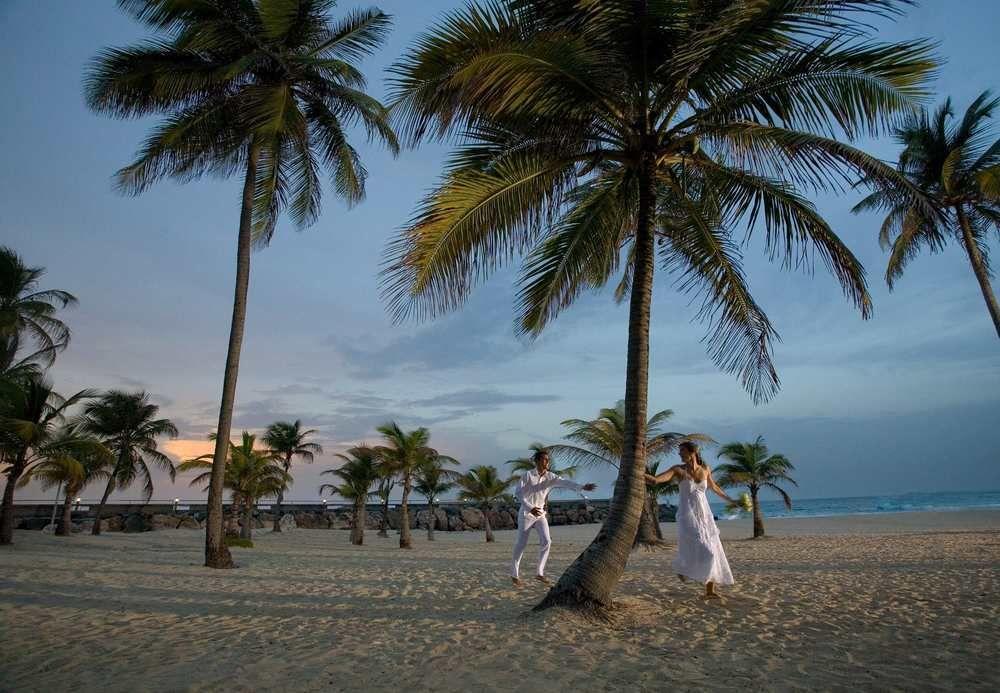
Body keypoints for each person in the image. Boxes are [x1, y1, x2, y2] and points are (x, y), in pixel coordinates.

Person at [646, 441, 736, 599]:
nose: (679, 454)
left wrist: (731, 501)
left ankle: (709, 590)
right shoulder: (678, 470)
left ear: (692, 452)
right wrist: (636, 473)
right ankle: (683, 568)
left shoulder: (705, 469)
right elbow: (655, 481)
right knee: (701, 547)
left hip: (704, 514)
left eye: (682, 451)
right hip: (687, 515)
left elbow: (714, 488)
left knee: (712, 549)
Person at [511, 449, 596, 587]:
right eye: (545, 459)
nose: (547, 462)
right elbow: (518, 493)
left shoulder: (551, 477)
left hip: (541, 515)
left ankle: (539, 572)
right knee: (521, 544)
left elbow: (566, 482)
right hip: (527, 514)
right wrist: (529, 507)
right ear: (538, 461)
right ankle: (514, 575)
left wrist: (582, 487)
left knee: (547, 541)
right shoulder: (527, 475)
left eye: (548, 460)